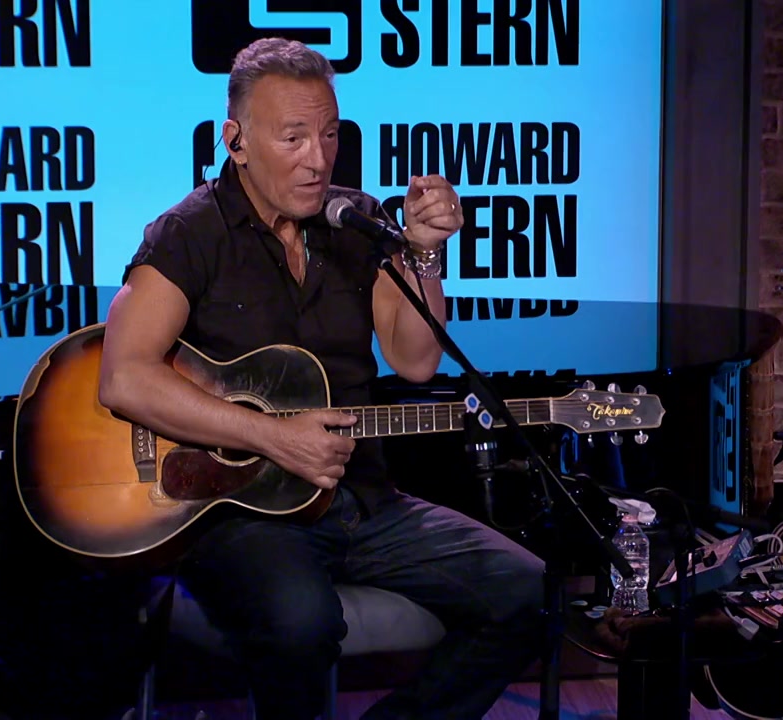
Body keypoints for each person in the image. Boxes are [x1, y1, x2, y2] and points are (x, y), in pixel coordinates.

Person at [97, 37, 546, 720]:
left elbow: (416, 360)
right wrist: (272, 437)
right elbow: (124, 378)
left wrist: (426, 256)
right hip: (242, 515)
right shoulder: (189, 233)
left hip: (364, 501)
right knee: (300, 625)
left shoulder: (356, 224)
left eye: (329, 134)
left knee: (530, 591)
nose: (317, 158)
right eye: (294, 138)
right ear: (236, 141)